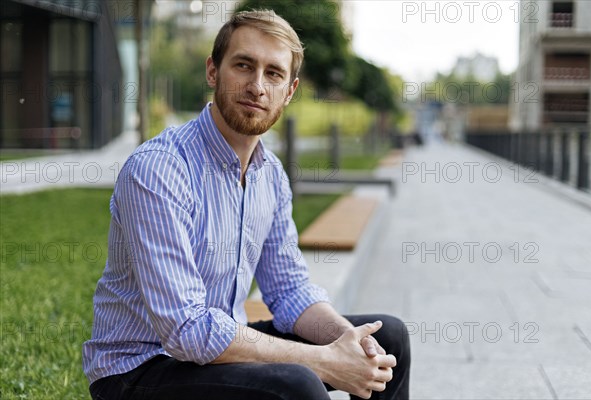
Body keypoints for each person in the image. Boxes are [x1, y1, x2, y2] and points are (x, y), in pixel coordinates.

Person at [82, 9, 410, 400]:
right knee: (298, 384)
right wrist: (321, 362)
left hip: (217, 356)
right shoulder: (158, 170)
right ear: (212, 72)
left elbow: (289, 291)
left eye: (274, 73)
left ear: (289, 91)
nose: (257, 86)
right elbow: (187, 329)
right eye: (243, 65)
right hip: (138, 371)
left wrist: (348, 342)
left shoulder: (270, 174)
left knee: (388, 339)